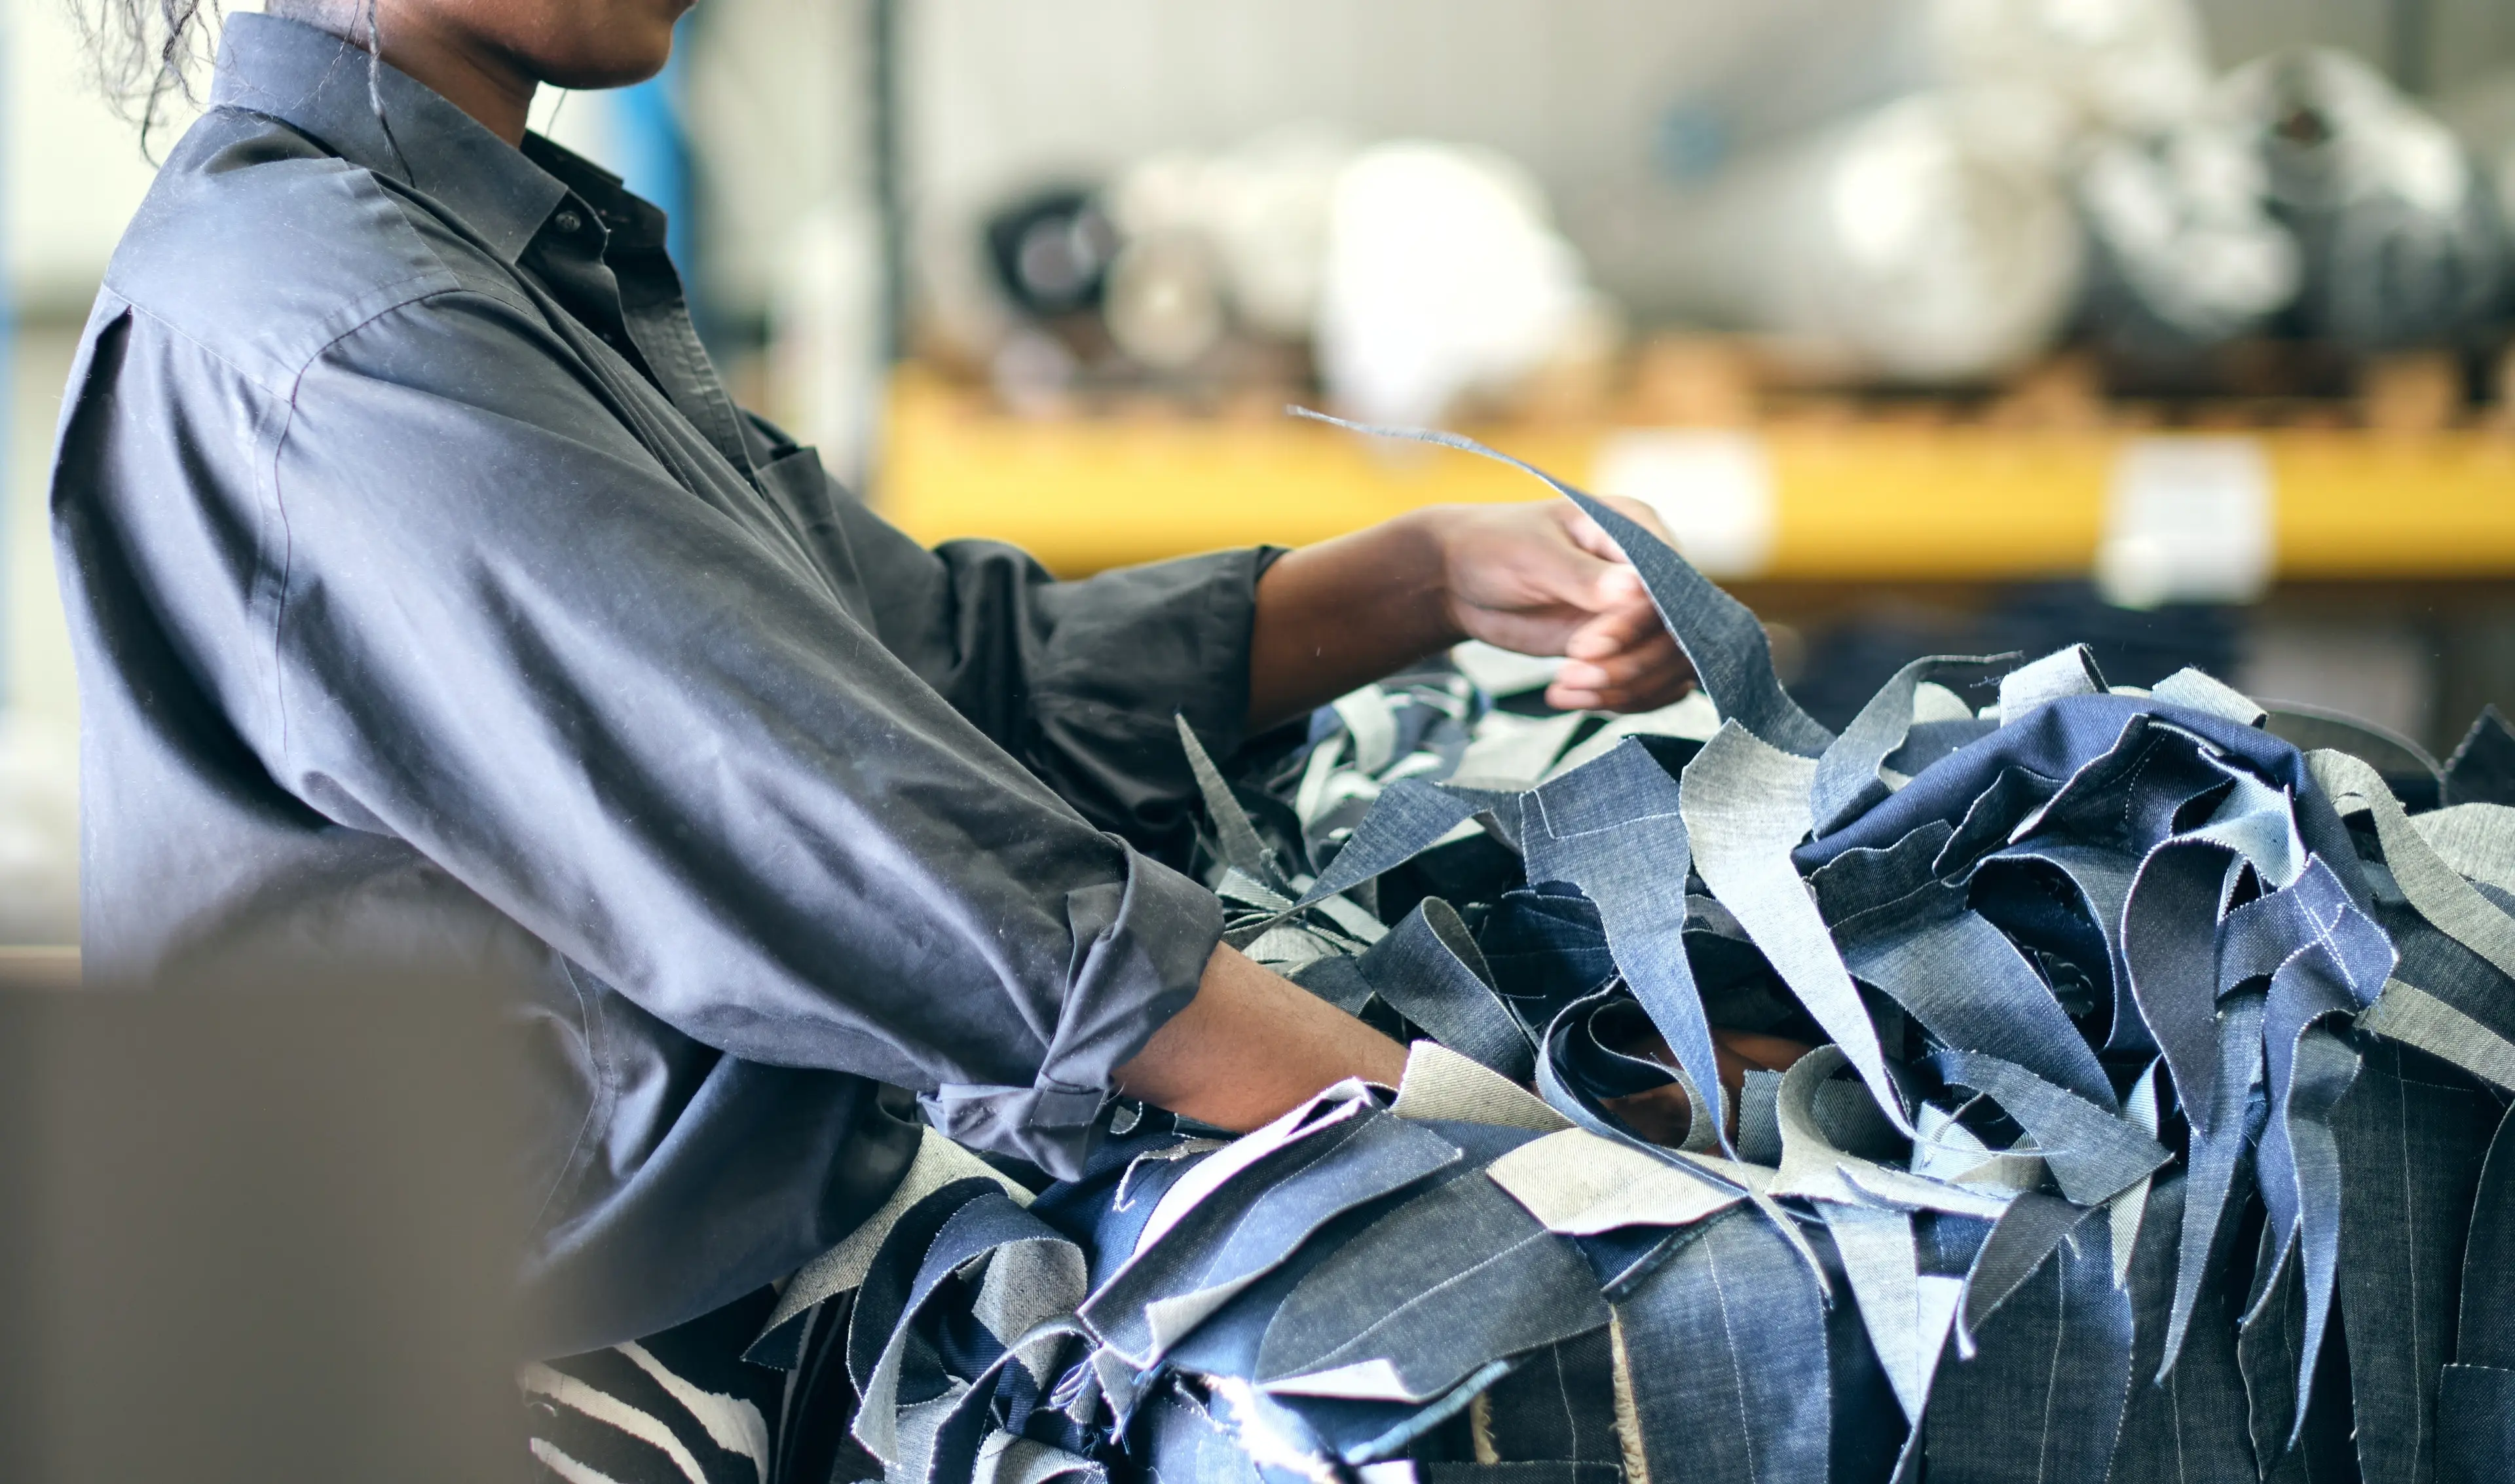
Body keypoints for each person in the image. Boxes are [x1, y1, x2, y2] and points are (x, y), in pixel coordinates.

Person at [55, 0, 1710, 1380]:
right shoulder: (357, 335)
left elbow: (939, 674)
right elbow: (914, 875)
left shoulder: (472, 260)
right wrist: (1552, 1153)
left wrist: (1423, 575)